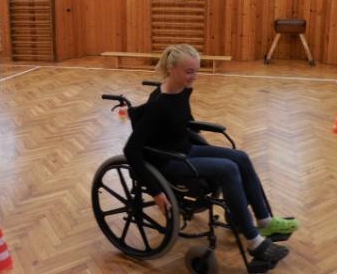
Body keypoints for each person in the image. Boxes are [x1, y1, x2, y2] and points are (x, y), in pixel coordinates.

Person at [124, 44, 299, 264]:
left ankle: (265, 222)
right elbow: (131, 150)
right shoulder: (158, 105)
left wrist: (207, 148)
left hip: (185, 150)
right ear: (171, 69)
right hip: (168, 162)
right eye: (189, 72)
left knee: (240, 156)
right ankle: (254, 243)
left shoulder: (182, 89)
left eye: (196, 71)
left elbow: (185, 123)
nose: (195, 77)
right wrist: (156, 191)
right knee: (228, 168)